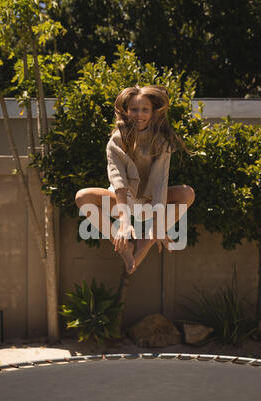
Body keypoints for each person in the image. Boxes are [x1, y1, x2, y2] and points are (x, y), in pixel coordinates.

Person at [75, 84, 195, 275]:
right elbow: (118, 181)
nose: (139, 114)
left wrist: (157, 224)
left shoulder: (162, 142)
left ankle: (146, 242)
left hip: (148, 203)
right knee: (83, 196)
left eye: (145, 109)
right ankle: (123, 247)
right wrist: (124, 221)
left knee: (187, 193)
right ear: (125, 110)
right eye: (134, 109)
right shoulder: (116, 140)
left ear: (154, 112)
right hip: (122, 201)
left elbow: (159, 182)